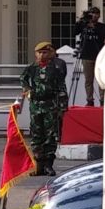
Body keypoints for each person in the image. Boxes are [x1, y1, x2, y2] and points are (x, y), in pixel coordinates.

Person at [21, 41, 67, 176]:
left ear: (51, 53)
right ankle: (38, 165)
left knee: (50, 135)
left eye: (45, 52)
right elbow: (23, 79)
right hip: (36, 106)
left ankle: (48, 165)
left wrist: (63, 106)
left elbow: (61, 87)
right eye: (39, 52)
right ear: (36, 54)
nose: (42, 55)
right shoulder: (32, 68)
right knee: (36, 135)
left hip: (50, 105)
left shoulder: (56, 68)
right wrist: (27, 90)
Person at [72, 6, 105, 106]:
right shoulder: (84, 25)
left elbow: (103, 35)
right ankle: (89, 99)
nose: (94, 15)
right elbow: (75, 32)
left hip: (99, 55)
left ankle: (103, 99)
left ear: (99, 15)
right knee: (88, 79)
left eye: (97, 13)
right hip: (86, 55)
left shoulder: (101, 26)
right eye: (92, 13)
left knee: (101, 79)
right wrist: (81, 21)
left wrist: (94, 27)